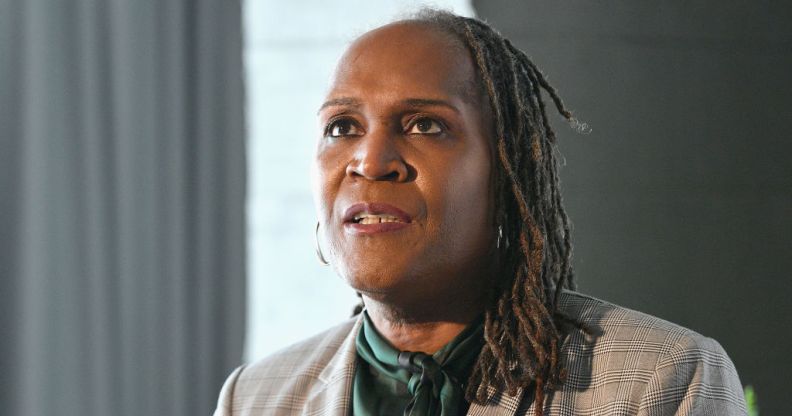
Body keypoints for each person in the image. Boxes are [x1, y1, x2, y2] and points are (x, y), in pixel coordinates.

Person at [214, 9, 746, 416]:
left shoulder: (663, 379)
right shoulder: (255, 396)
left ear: (506, 170)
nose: (371, 161)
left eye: (424, 125)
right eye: (342, 127)